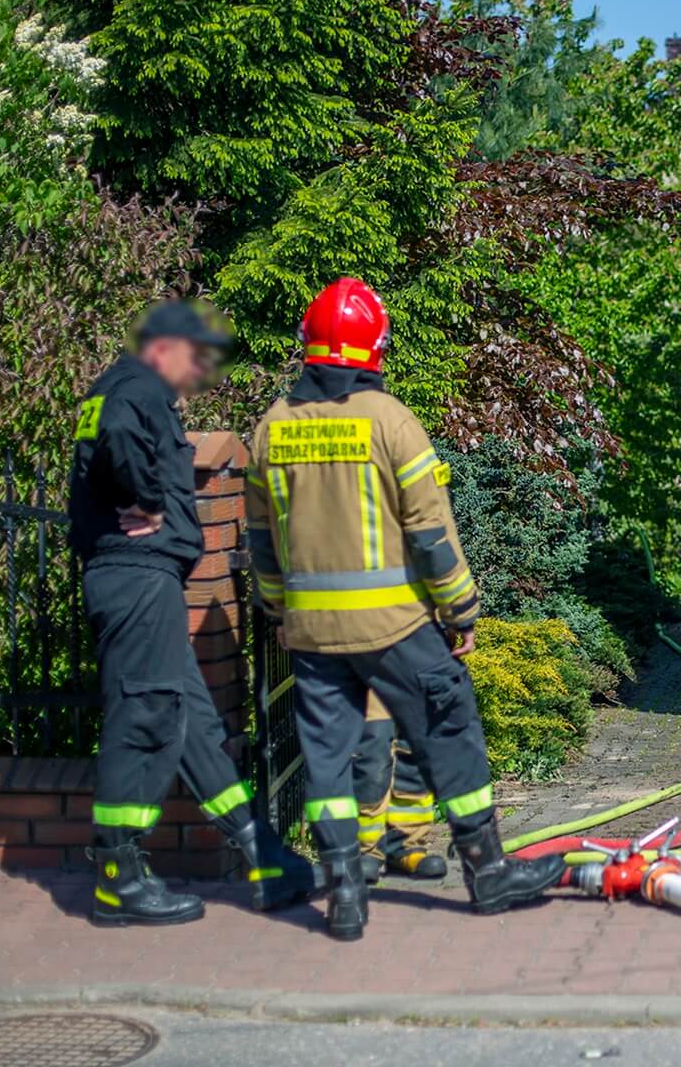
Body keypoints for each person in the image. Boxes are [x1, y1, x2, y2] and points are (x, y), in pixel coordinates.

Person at [245, 277, 564, 941]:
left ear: (309, 347)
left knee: (327, 760)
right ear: (374, 350)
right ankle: (488, 873)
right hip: (396, 627)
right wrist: (460, 612)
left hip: (310, 633)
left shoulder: (271, 428)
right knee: (450, 729)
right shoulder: (389, 421)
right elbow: (429, 531)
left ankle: (345, 894)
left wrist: (280, 611)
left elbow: (261, 542)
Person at [66, 299, 316, 928]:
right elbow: (121, 438)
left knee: (193, 723)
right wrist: (147, 499)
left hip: (141, 578)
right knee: (146, 713)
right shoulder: (135, 388)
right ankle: (118, 877)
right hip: (135, 573)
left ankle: (260, 851)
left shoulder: (121, 387)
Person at [353, 691, 448, 883]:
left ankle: (406, 845)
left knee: (416, 745)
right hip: (367, 666)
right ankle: (366, 851)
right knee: (372, 750)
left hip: (418, 667)